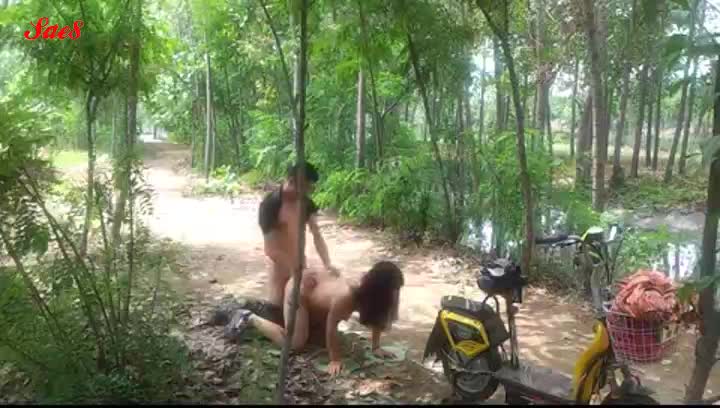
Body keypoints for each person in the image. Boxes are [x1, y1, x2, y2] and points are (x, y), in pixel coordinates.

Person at [229, 261, 404, 376]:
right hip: (299, 291)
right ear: (379, 291)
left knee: (316, 338)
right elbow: (331, 326)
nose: (395, 296)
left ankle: (283, 316)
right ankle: (249, 317)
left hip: (314, 292)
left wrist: (376, 347)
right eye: (393, 291)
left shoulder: (373, 297)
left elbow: (378, 317)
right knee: (296, 343)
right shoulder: (348, 296)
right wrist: (335, 359)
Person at [258, 162, 339, 312]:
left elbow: (316, 234)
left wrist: (327, 264)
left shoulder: (306, 204)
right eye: (306, 188)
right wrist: (294, 271)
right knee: (277, 312)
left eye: (310, 188)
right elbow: (271, 250)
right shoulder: (270, 205)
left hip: (300, 265)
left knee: (307, 309)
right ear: (291, 181)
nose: (308, 192)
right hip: (280, 270)